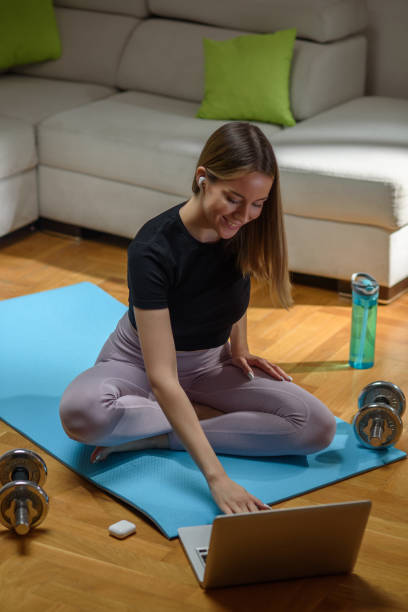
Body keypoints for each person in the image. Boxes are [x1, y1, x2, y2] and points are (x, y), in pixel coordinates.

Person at [59, 121, 336, 515]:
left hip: (209, 365)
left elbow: (234, 290)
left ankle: (158, 435)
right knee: (82, 414)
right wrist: (217, 479)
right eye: (234, 199)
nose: (246, 215)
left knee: (317, 426)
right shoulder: (152, 248)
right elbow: (161, 375)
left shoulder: (243, 228)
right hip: (137, 362)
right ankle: (192, 416)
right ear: (203, 178)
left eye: (258, 204)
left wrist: (239, 346)